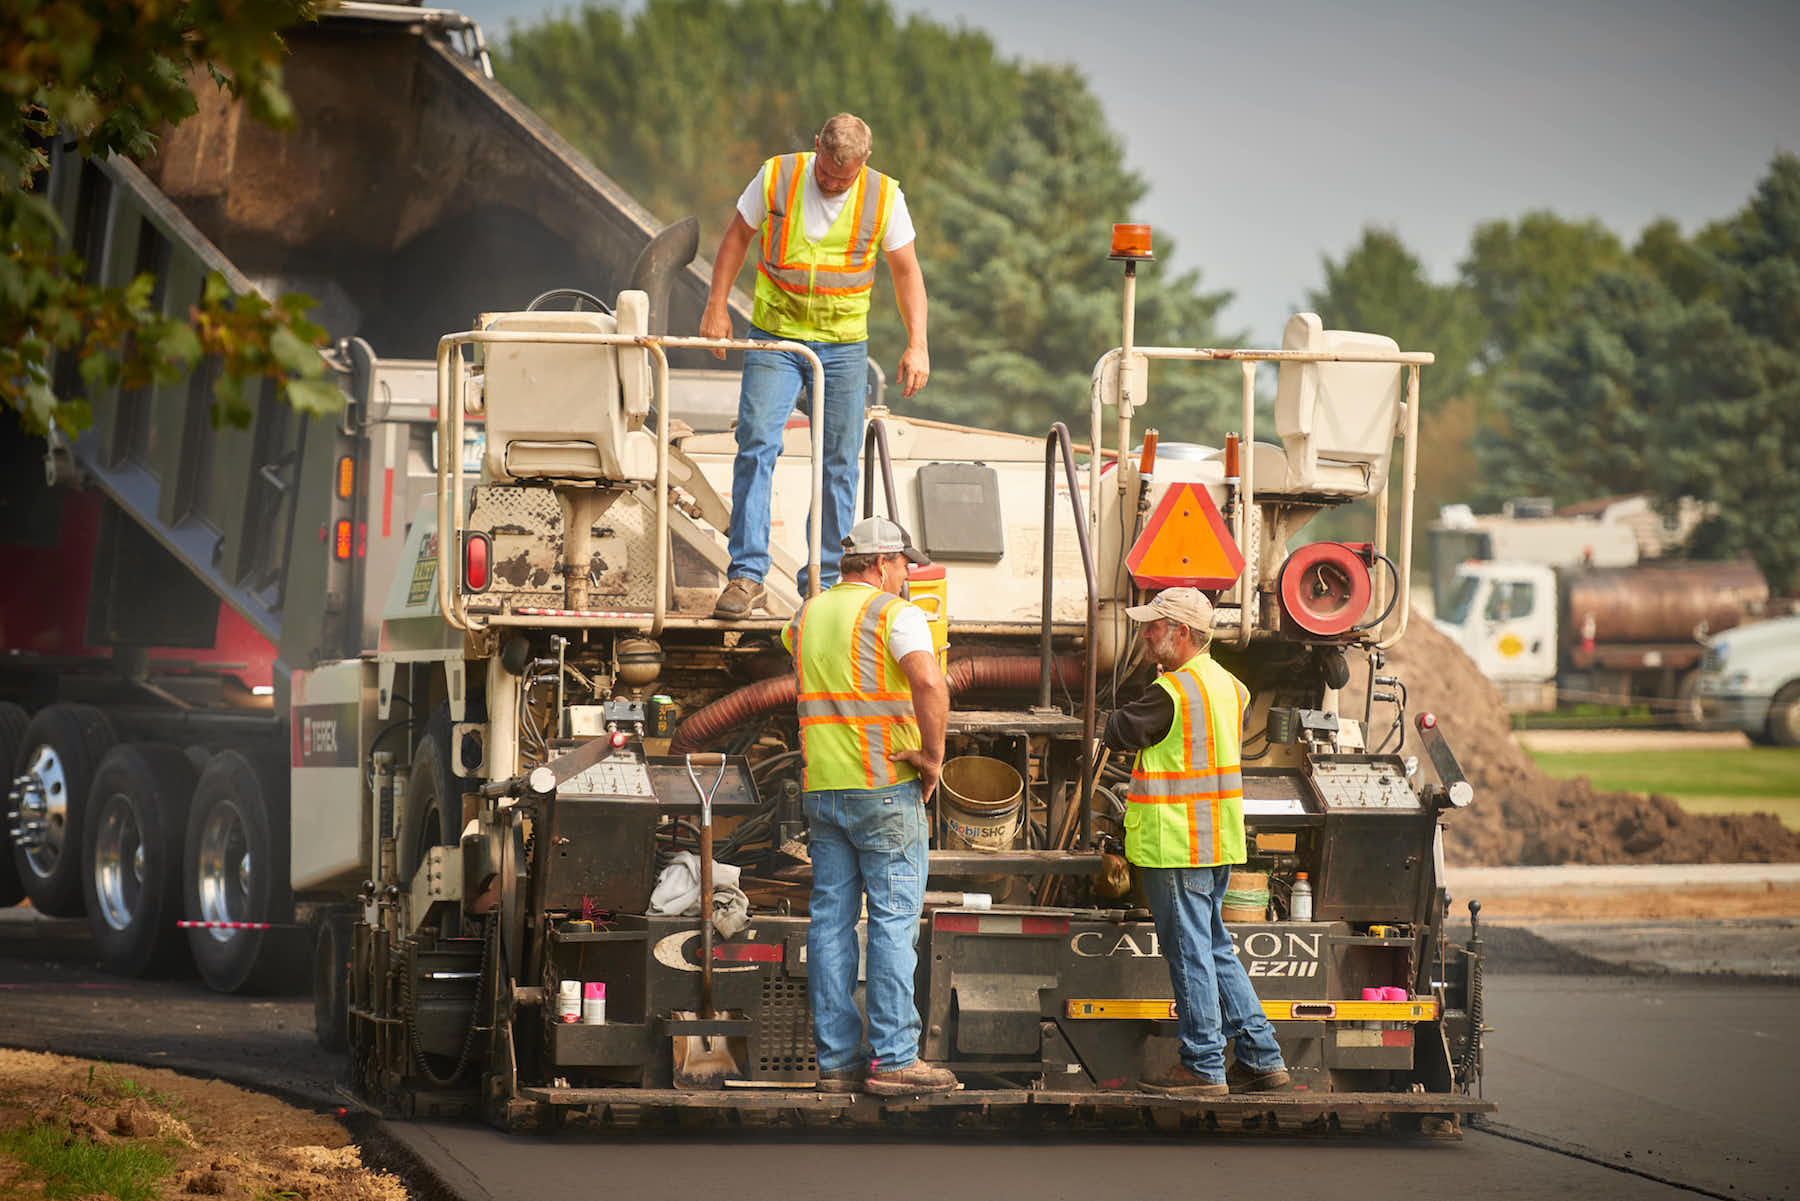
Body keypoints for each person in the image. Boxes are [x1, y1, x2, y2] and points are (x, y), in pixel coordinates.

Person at [700, 113, 930, 618]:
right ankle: (746, 575)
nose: (831, 182)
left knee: (839, 462)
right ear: (817, 148)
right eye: (826, 171)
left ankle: (824, 585)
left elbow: (906, 271)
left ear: (863, 163)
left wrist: (918, 343)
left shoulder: (885, 197)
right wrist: (717, 306)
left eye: (842, 178)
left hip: (843, 347)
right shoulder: (778, 176)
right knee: (757, 444)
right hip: (777, 336)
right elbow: (737, 237)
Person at [780, 516, 955, 1096]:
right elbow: (929, 685)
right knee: (891, 920)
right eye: (905, 564)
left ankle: (835, 1063)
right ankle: (896, 1058)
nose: (907, 575)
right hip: (884, 787)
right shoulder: (895, 613)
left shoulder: (805, 616)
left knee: (830, 922)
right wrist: (932, 756)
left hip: (823, 790)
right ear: (881, 564)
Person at [1103, 588, 1291, 1096]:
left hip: (1176, 844)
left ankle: (1203, 1066)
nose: (1144, 634)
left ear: (1181, 633)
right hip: (1217, 841)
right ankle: (1261, 1056)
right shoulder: (1231, 686)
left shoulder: (1173, 691)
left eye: (1153, 627)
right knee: (1214, 950)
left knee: (1190, 954)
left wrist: (1137, 692)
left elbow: (1120, 729)